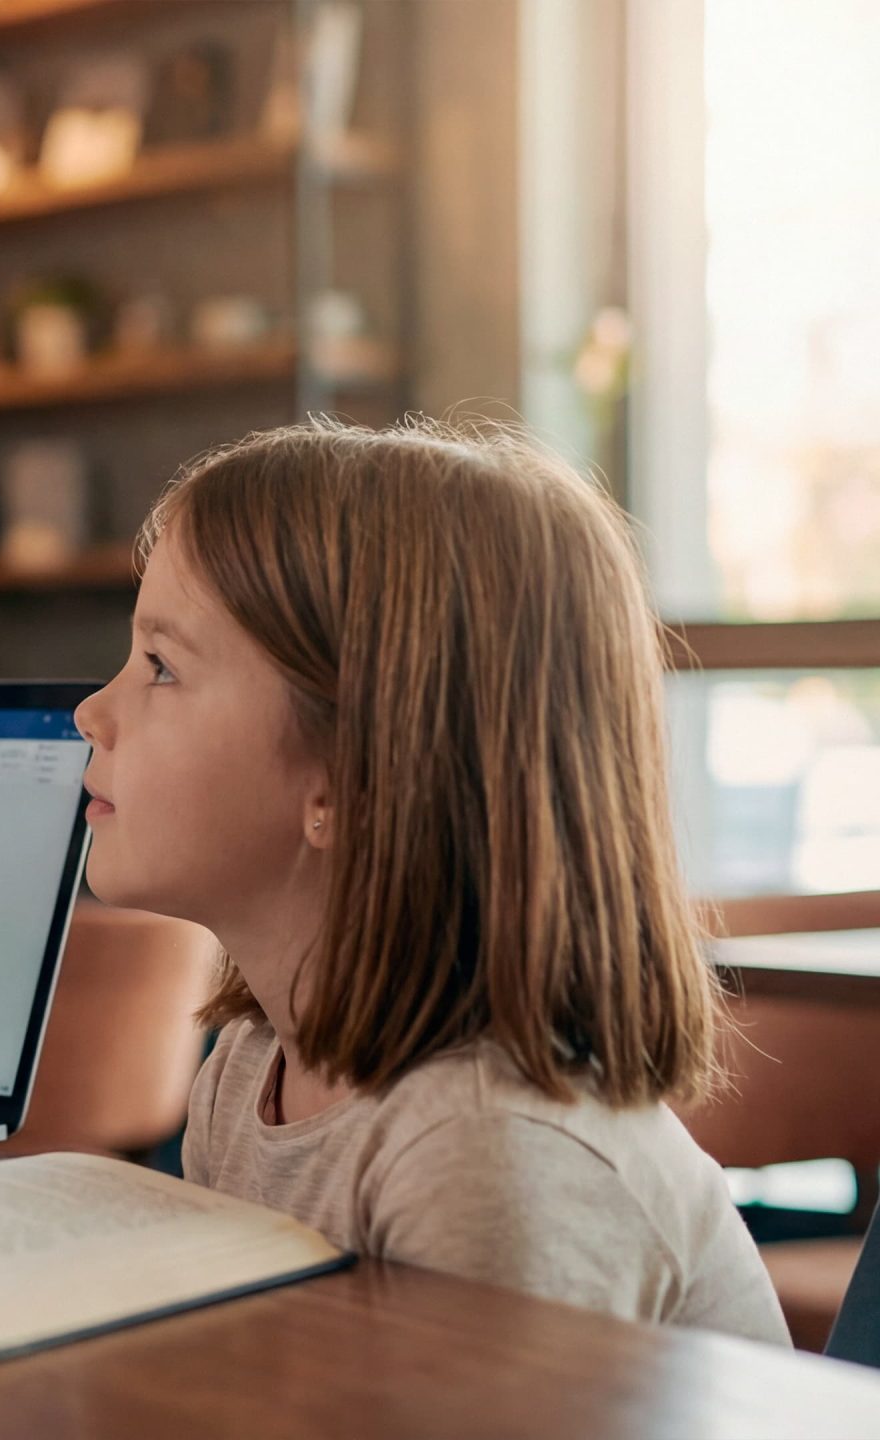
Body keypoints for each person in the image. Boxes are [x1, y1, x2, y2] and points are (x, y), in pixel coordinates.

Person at [73, 419, 785, 1343]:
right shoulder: (249, 1074)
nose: (92, 711)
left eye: (161, 667)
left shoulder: (486, 1150)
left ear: (352, 768)